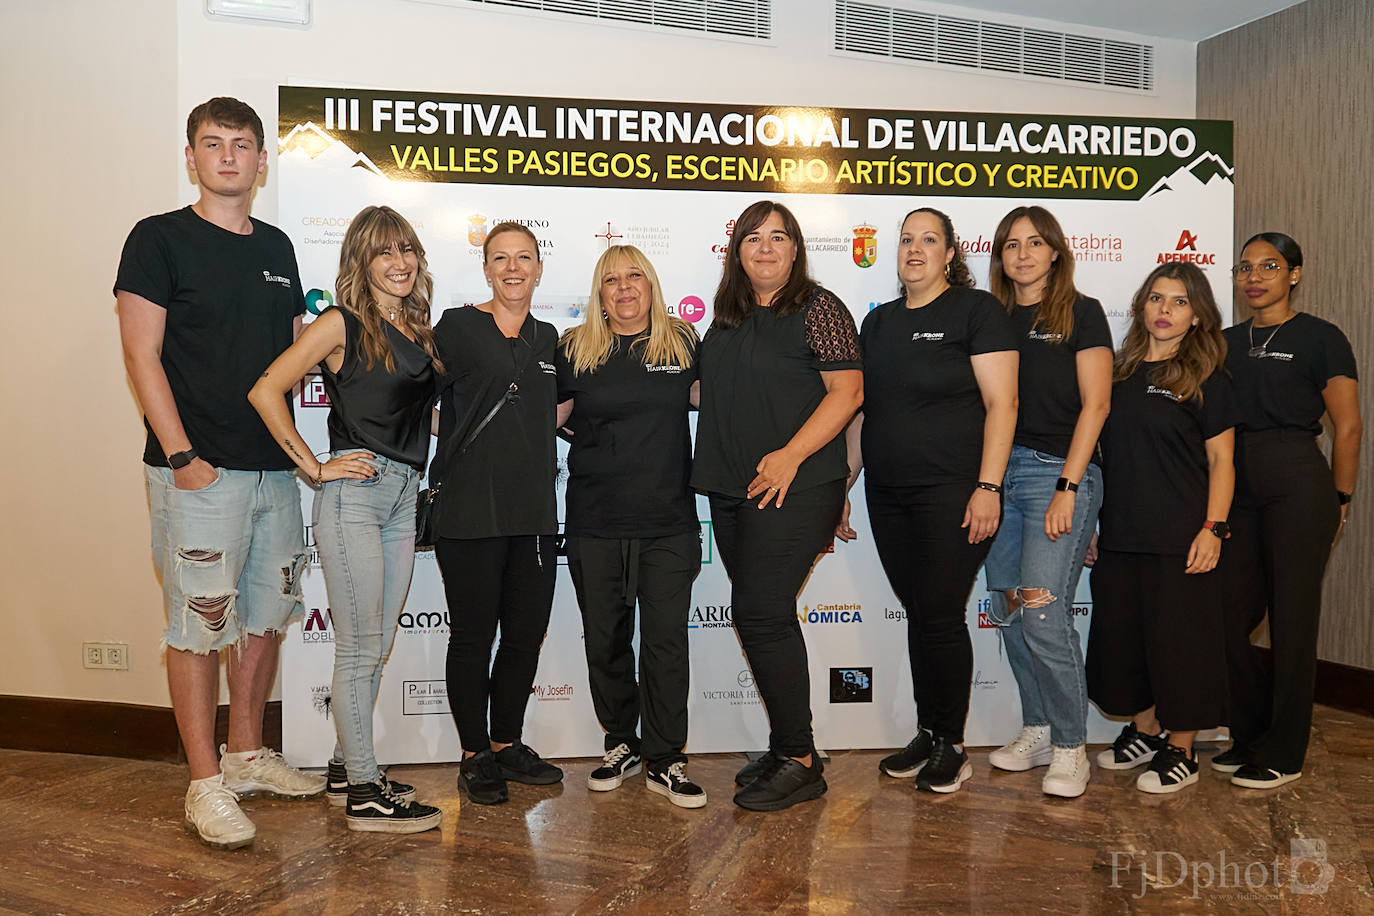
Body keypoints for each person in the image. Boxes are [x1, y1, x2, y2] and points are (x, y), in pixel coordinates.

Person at [116, 97, 325, 850]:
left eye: (242, 145)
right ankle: (204, 784)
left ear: (262, 162)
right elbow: (141, 354)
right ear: (192, 156)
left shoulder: (276, 246)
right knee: (199, 628)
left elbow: (294, 359)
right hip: (197, 472)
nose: (229, 156)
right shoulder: (158, 239)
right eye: (214, 143)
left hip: (274, 473)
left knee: (264, 619)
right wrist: (181, 457)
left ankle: (244, 757)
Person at [248, 206, 443, 832]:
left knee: (376, 645)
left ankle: (343, 765)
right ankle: (364, 790)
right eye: (385, 251)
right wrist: (315, 467)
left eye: (407, 249)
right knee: (360, 649)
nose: (400, 262)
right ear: (361, 260)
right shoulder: (340, 322)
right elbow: (266, 389)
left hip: (403, 496)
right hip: (354, 497)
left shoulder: (417, 328)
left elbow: (418, 419)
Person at [692, 201, 863, 811]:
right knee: (764, 614)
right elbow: (708, 390)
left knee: (760, 611)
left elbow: (849, 393)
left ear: (795, 250)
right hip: (734, 488)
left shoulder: (820, 309)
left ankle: (800, 758)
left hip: (797, 485)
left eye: (779, 238)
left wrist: (791, 455)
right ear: (736, 251)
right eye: (753, 239)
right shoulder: (728, 318)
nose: (765, 249)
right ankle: (789, 744)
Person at [839, 207, 1017, 794]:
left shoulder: (976, 311)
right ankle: (928, 729)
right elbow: (865, 413)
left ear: (949, 253)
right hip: (887, 493)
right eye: (906, 239)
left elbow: (1003, 405)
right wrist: (843, 488)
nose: (915, 249)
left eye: (929, 239)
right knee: (922, 612)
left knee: (939, 614)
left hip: (954, 491)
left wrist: (988, 486)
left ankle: (953, 744)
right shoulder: (879, 323)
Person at [555, 245, 704, 808]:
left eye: (634, 277)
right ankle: (622, 741)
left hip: (669, 522)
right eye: (611, 280)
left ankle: (666, 756)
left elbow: (724, 405)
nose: (624, 288)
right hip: (595, 522)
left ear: (651, 285)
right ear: (600, 292)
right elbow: (547, 420)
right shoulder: (575, 348)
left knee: (665, 643)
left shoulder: (683, 341)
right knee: (607, 639)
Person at [1217, 232, 1362, 789]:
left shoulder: (1321, 337)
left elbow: (1347, 426)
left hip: (1298, 482)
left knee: (1293, 624)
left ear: (1294, 274)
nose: (1254, 277)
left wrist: (1341, 498)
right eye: (1245, 267)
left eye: (1269, 267)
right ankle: (1250, 736)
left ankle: (1285, 751)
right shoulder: (1225, 341)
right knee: (1225, 617)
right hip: (1236, 485)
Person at [1085, 263, 1236, 794]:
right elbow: (1103, 456)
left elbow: (1222, 462)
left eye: (1178, 302)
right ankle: (1147, 728)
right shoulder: (1119, 373)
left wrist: (1213, 528)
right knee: (1126, 642)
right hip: (1121, 533)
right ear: (1141, 306)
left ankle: (1182, 748)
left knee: (1180, 646)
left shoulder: (1207, 378)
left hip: (1182, 537)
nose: (1164, 310)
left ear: (1197, 317)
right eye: (1156, 299)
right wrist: (1092, 524)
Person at [980, 206, 1112, 798]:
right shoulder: (990, 318)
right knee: (1007, 605)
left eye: (1035, 243)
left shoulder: (1081, 315)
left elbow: (1097, 406)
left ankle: (1070, 745)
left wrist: (1069, 489)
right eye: (1011, 245)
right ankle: (1036, 727)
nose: (1023, 254)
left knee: (1041, 608)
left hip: (1057, 475)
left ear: (1056, 251)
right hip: (997, 478)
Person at [432, 221, 562, 805]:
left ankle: (507, 743)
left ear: (539, 268)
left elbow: (554, 414)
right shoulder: (457, 327)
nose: (513, 268)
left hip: (534, 512)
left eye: (524, 258)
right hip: (469, 510)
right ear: (485, 269)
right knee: (474, 634)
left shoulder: (550, 337)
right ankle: (473, 751)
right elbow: (417, 401)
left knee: (525, 635)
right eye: (501, 259)